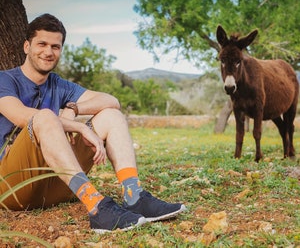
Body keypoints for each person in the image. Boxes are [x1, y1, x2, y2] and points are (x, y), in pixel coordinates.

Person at [0, 13, 186, 233]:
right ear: (26, 47)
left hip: (56, 184)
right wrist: (78, 126)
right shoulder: (5, 80)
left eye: (55, 46)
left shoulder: (58, 84)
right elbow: (22, 116)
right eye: (42, 44)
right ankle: (96, 207)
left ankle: (134, 196)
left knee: (111, 115)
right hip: (13, 188)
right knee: (45, 116)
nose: (48, 52)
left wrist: (74, 109)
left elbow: (111, 100)